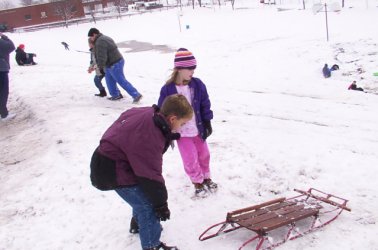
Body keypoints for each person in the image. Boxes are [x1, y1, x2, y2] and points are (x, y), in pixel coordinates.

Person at [91, 94, 193, 250]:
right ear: (172, 118)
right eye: (182, 123)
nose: (182, 127)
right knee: (149, 206)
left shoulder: (150, 114)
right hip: (112, 169)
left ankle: (139, 224)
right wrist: (161, 204)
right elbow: (150, 176)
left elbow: (126, 120)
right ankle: (152, 245)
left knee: (142, 195)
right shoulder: (150, 136)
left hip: (113, 161)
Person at [157, 48, 217, 197]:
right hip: (181, 133)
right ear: (179, 69)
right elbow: (162, 111)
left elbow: (205, 103)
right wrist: (166, 130)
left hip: (198, 129)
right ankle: (197, 181)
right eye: (189, 68)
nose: (193, 71)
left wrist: (208, 121)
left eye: (194, 68)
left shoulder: (197, 85)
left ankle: (206, 177)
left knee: (204, 154)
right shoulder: (167, 89)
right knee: (190, 158)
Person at [87, 28, 143, 103]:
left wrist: (99, 67)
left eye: (91, 37)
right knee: (109, 80)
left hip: (115, 63)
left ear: (94, 34)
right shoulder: (104, 38)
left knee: (121, 80)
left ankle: (136, 94)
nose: (91, 39)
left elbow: (101, 56)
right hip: (111, 63)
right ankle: (115, 95)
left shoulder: (100, 41)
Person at [0, 33, 16, 121]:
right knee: (3, 92)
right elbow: (11, 47)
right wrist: (5, 37)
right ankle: (4, 114)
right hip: (1, 69)